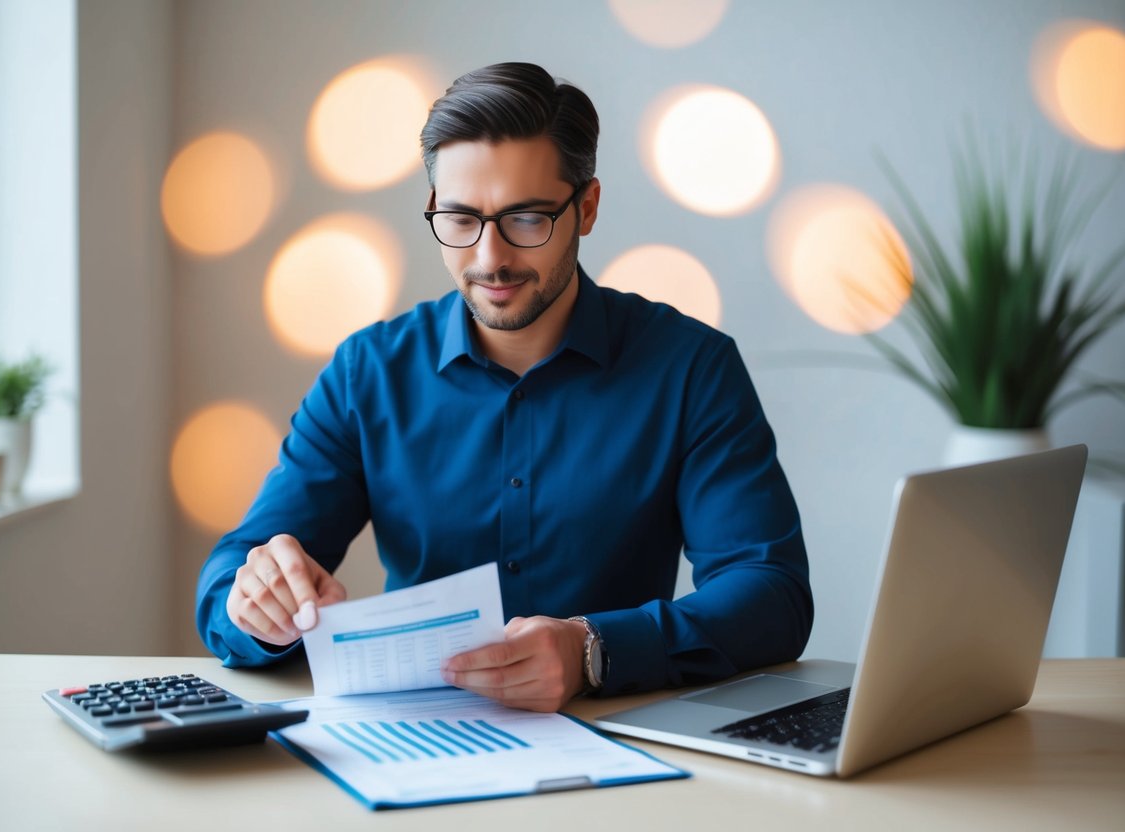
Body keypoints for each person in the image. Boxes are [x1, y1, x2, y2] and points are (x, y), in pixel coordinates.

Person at [196, 62, 812, 713]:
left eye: (525, 218)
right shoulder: (365, 374)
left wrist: (591, 650)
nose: (489, 257)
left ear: (588, 207)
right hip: (413, 746)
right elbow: (231, 577)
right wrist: (254, 603)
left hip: (626, 745)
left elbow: (769, 595)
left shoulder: (691, 368)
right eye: (460, 219)